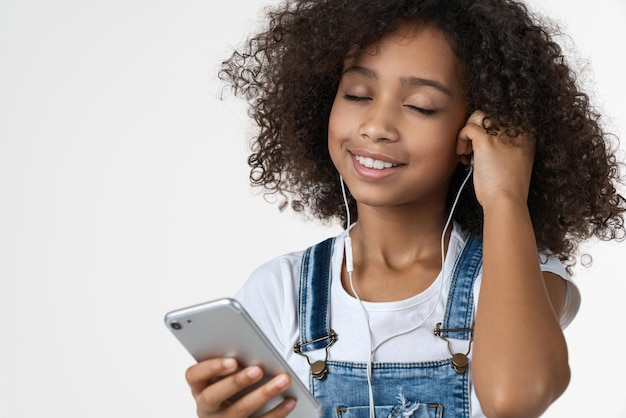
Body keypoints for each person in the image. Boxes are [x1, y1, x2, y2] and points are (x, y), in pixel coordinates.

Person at [185, 0, 625, 417]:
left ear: (479, 129)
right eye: (357, 94)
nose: (376, 127)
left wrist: (505, 196)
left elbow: (514, 400)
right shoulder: (282, 290)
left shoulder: (517, 275)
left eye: (420, 106)